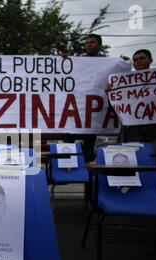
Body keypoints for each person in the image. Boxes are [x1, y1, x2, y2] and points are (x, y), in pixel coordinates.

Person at [62, 34, 105, 163]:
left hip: (92, 113)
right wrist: (63, 61)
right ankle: (67, 166)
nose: (88, 45)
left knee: (89, 145)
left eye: (92, 42)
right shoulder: (77, 61)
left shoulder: (107, 63)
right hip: (76, 109)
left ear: (99, 45)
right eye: (87, 43)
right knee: (69, 139)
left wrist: (122, 63)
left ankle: (86, 170)